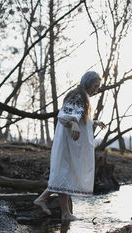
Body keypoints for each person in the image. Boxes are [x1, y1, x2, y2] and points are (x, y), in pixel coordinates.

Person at [34, 71, 106, 220]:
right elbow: (64, 115)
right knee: (64, 172)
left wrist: (94, 122)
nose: (97, 89)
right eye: (95, 85)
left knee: (65, 173)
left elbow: (79, 117)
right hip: (67, 142)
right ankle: (53, 206)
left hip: (70, 142)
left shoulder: (82, 96)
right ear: (87, 83)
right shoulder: (78, 95)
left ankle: (63, 212)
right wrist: (73, 123)